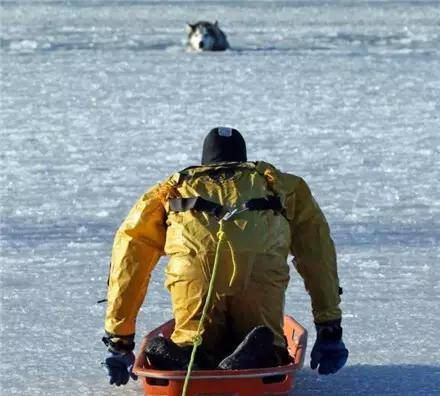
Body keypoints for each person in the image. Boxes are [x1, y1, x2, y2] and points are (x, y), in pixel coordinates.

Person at [102, 127, 348, 386]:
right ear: (242, 159)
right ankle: (262, 352)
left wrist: (120, 341)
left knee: (194, 338)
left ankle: (187, 355)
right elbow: (317, 254)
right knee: (267, 341)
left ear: (204, 161)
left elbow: (129, 258)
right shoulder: (280, 185)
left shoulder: (171, 190)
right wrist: (329, 327)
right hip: (259, 275)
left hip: (195, 278)